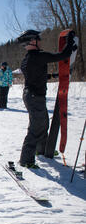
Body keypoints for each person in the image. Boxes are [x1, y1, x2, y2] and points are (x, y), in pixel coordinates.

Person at [17, 29, 76, 168]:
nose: (41, 41)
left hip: (32, 96)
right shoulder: (38, 56)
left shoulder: (28, 59)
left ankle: (41, 150)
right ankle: (26, 160)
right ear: (32, 41)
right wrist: (69, 41)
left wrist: (53, 76)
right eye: (39, 38)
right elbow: (63, 55)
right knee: (36, 128)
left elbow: (37, 74)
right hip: (34, 97)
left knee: (43, 125)